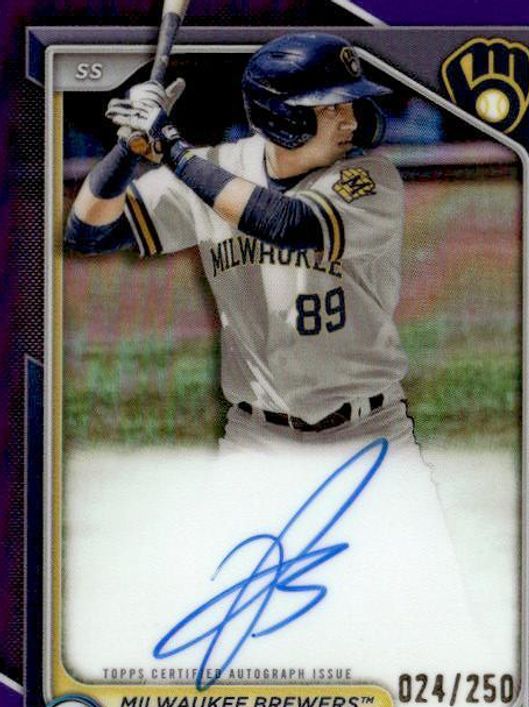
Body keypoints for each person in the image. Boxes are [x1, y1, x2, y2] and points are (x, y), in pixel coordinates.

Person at [65, 32, 414, 451]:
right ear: (284, 117)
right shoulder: (216, 168)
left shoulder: (370, 178)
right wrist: (128, 148)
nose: (352, 121)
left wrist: (172, 148)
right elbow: (89, 233)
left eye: (351, 104)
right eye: (331, 107)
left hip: (370, 430)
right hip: (256, 438)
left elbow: (287, 223)